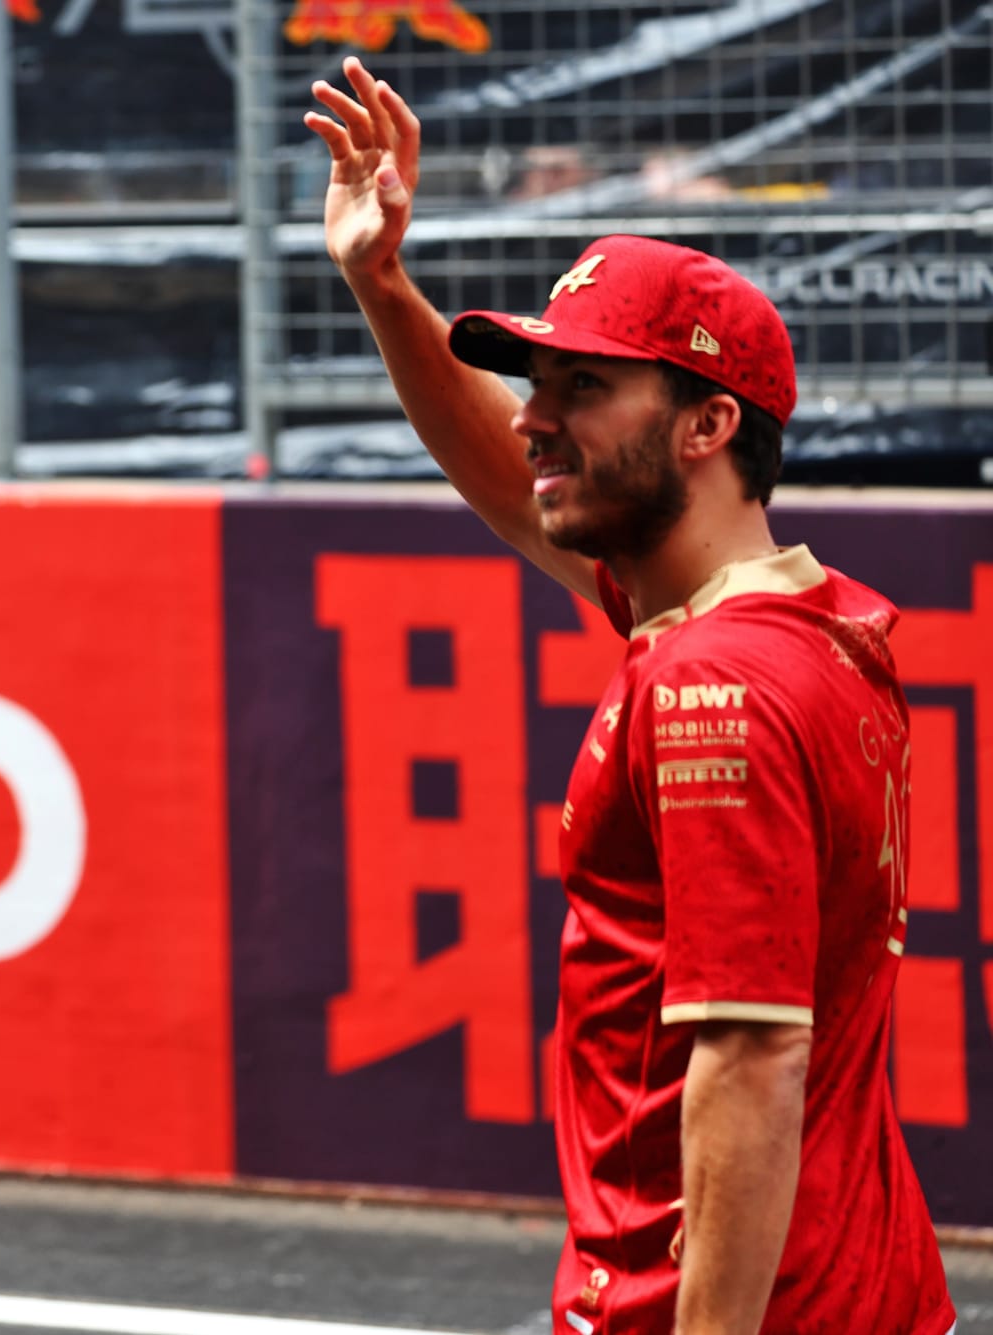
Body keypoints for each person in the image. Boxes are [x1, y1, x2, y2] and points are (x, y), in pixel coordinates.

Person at [306, 57, 956, 1335]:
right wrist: (379, 284)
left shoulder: (715, 682)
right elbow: (514, 482)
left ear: (706, 427)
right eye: (537, 385)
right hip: (860, 1288)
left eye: (580, 389)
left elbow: (750, 1055)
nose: (537, 419)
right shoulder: (804, 625)